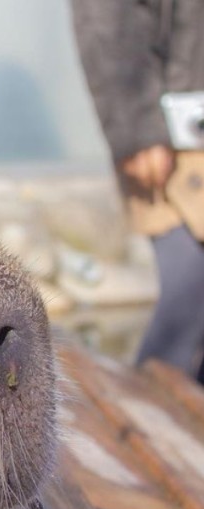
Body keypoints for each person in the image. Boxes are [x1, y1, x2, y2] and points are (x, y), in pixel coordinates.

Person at [71, 0, 204, 382]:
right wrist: (138, 129)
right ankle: (152, 413)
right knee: (189, 290)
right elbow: (106, 17)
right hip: (174, 134)